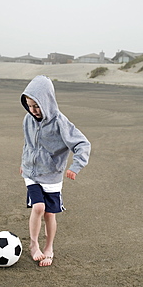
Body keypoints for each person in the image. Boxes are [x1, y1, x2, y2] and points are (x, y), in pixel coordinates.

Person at [20, 75, 91, 267]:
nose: (33, 110)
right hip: (31, 175)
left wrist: (75, 166)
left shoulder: (60, 122)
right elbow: (28, 144)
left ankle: (49, 247)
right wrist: (24, 163)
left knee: (49, 214)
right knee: (38, 208)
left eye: (37, 106)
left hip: (52, 177)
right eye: (29, 105)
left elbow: (83, 144)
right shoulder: (28, 119)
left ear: (47, 101)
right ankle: (33, 244)